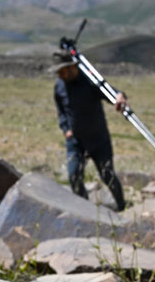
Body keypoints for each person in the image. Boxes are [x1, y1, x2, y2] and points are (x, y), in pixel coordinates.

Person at [51, 52, 127, 211]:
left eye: (62, 71)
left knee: (108, 175)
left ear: (72, 67)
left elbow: (112, 94)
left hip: (99, 140)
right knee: (74, 175)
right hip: (76, 141)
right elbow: (61, 112)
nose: (60, 75)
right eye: (58, 73)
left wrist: (120, 96)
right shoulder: (59, 86)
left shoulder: (91, 82)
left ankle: (122, 207)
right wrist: (66, 129)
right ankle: (84, 210)